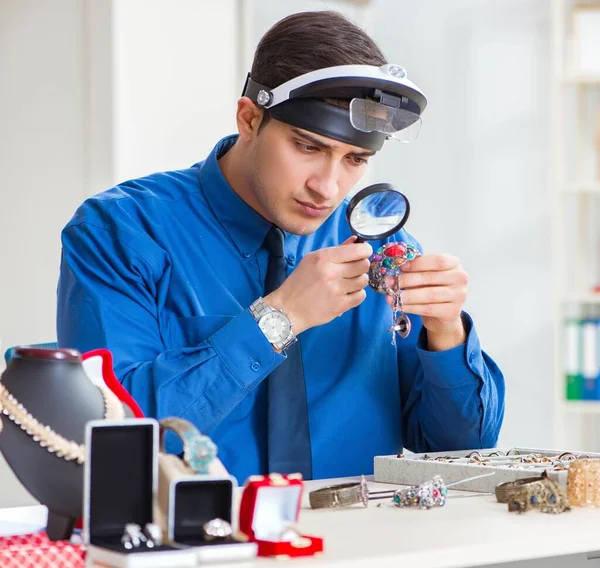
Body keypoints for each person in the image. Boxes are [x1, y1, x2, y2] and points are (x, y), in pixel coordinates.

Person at [57, 11, 505, 484]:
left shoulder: (381, 246)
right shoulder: (121, 231)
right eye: (308, 147)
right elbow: (110, 441)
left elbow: (457, 450)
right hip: (193, 549)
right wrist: (279, 318)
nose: (328, 187)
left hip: (362, 547)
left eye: (355, 159)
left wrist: (446, 332)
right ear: (249, 119)